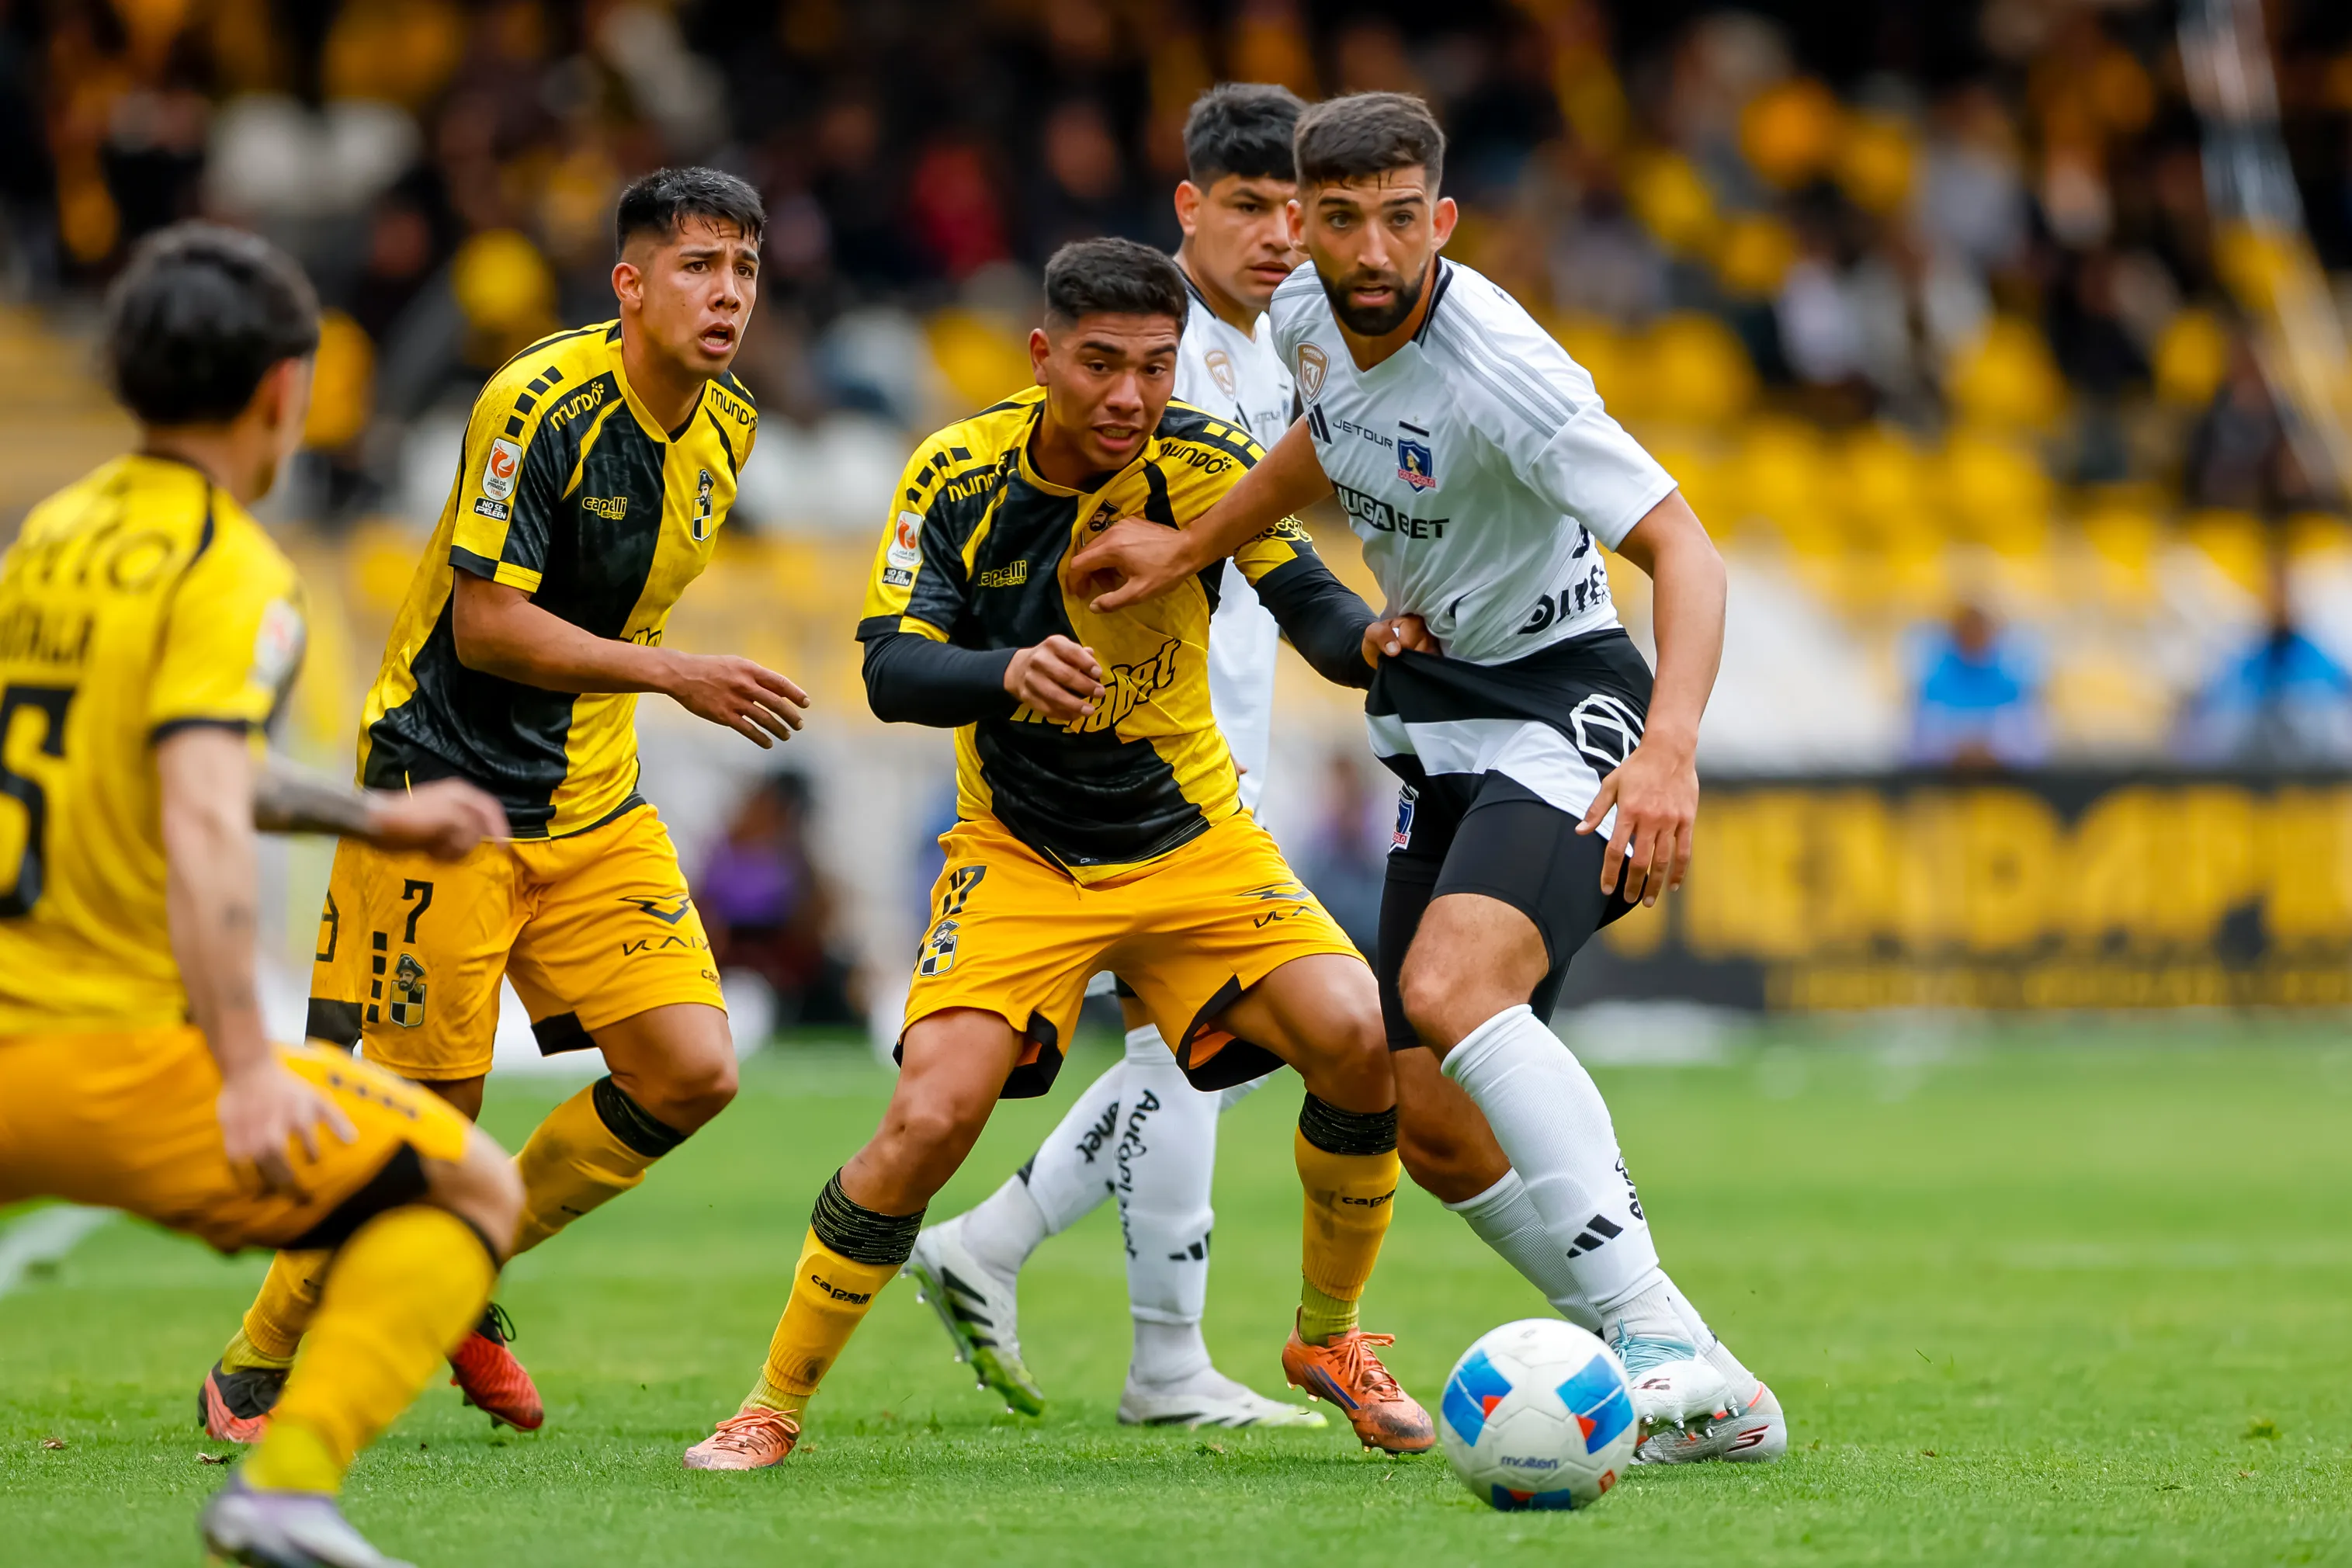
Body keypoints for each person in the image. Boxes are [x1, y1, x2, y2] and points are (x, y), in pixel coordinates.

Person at [1070, 92, 1787, 1464]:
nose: (1371, 248)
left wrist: (1668, 751)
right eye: (1341, 219)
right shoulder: (1301, 317)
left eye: (1400, 218)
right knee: (1434, 1126)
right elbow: (1321, 437)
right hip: (1435, 724)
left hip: (1564, 696)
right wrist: (1191, 545)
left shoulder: (1502, 367)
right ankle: (1716, 1391)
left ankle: (1648, 1344)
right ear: (1303, 226)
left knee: (1458, 988)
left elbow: (1686, 550)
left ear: (1441, 220)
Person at [683, 236, 1441, 1470]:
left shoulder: (1204, 459)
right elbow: (890, 668)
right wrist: (1006, 673)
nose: (1129, 396)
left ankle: (1329, 1339)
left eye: (1153, 366)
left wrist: (1373, 645)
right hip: (1020, 856)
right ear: (1042, 356)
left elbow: (1306, 599)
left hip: (1192, 845)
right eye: (1099, 365)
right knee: (931, 1117)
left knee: (1359, 1034)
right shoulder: (956, 471)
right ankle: (770, 1403)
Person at [197, 167, 810, 1445]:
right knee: (428, 1115)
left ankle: (452, 1262)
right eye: (699, 266)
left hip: (593, 802)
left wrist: (651, 681)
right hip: (444, 791)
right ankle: (257, 1360)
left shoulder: (733, 426)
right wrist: (672, 675)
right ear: (628, 285)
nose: (730, 295)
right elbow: (485, 627)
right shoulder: (534, 406)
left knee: (692, 1071)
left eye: (746, 270)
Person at [0, 221, 520, 1568]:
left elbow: (179, 758)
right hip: (112, 1056)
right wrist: (243, 1065)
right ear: (286, 391)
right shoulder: (230, 567)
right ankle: (286, 1490)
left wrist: (374, 815)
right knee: (468, 1189)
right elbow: (200, 812)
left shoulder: (49, 535)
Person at [903, 83, 1325, 1431]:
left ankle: (1121, 1332)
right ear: (1190, 205)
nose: (1282, 235)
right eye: (1251, 206)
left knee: (1191, 1052)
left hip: (1220, 741)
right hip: (1139, 760)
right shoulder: (1157, 357)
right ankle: (1100, 1314)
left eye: (1300, 212)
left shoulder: (1266, 352)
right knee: (1204, 1049)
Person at [1906, 602, 2047, 771]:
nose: (1974, 634)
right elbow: (1917, 747)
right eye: (1967, 628)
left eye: (1980, 628)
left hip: (2005, 779)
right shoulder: (1934, 681)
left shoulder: (2012, 681)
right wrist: (1957, 752)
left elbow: (2033, 748)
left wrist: (1993, 751)